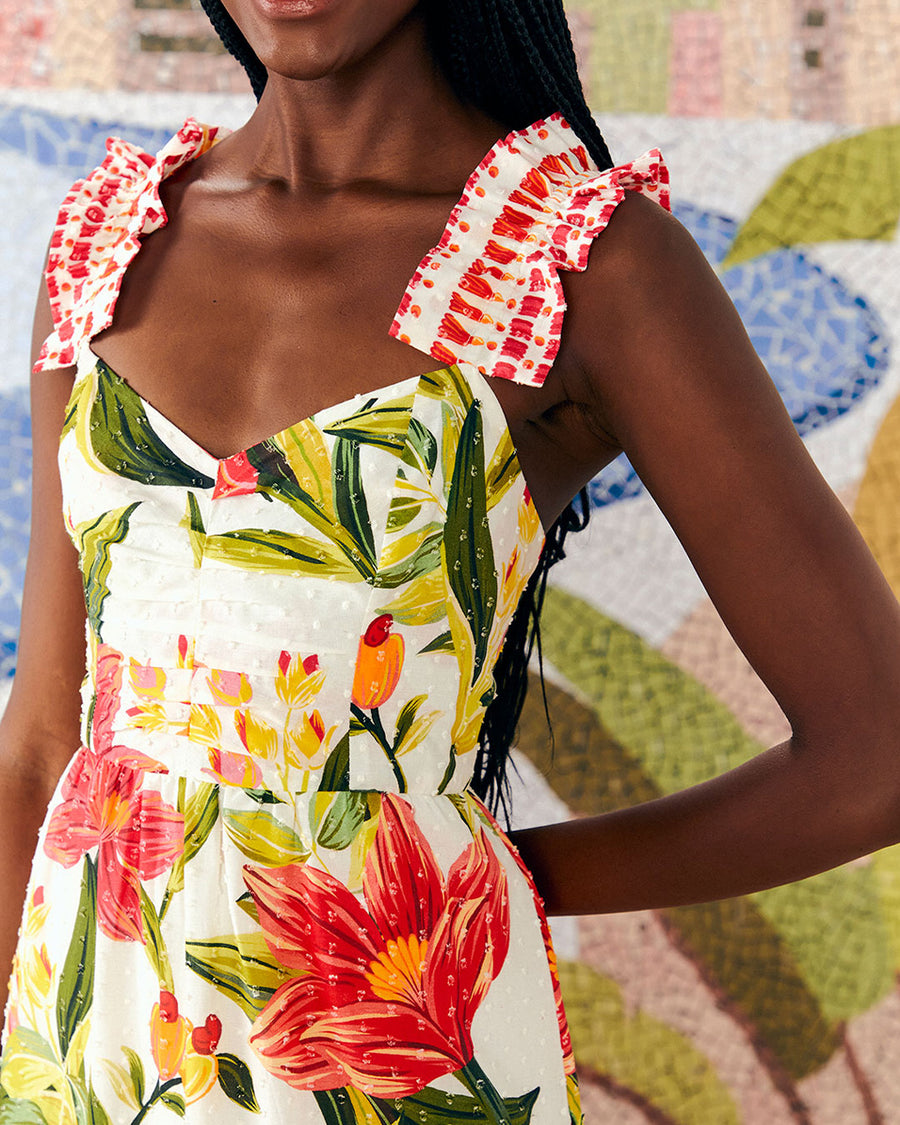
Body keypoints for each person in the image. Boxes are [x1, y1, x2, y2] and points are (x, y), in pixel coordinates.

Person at [1, 0, 899, 1121]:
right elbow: (44, 741)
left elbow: (879, 754)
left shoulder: (587, 269)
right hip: (90, 1053)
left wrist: (497, 874)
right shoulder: (109, 241)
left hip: (398, 1065)